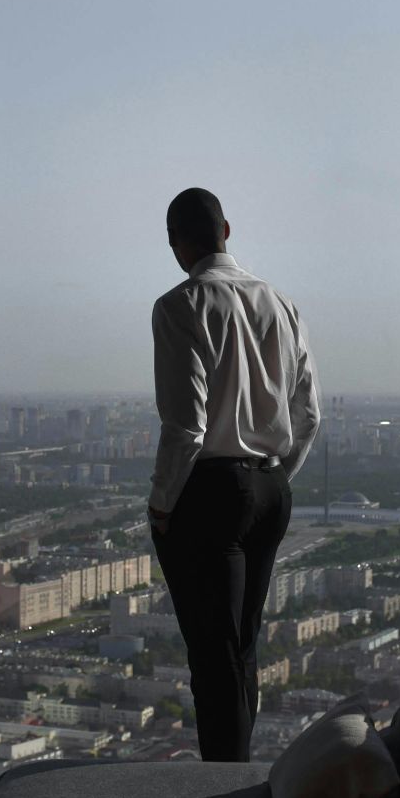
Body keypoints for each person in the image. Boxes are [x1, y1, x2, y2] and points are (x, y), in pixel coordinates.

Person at [147, 187, 320, 762]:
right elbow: (309, 413)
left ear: (175, 243)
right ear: (226, 231)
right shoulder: (280, 303)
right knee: (243, 647)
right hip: (270, 490)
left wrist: (161, 504)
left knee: (212, 655)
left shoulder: (179, 306)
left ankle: (222, 785)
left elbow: (185, 427)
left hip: (210, 495)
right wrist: (272, 475)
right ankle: (239, 778)